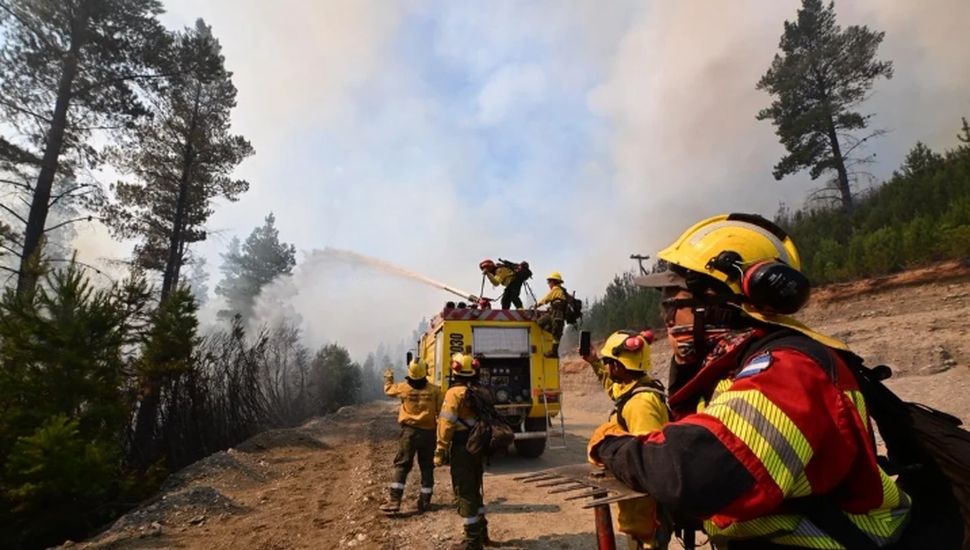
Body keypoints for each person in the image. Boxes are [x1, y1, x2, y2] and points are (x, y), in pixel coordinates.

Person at [588, 213, 910, 549]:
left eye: (673, 302)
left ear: (716, 302)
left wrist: (610, 444)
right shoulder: (738, 368)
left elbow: (698, 471)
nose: (665, 316)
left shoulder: (789, 369)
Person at [582, 330, 669, 550]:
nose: (608, 367)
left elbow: (647, 462)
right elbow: (614, 389)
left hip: (646, 516)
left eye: (609, 362)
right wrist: (594, 362)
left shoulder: (641, 405)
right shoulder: (634, 388)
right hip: (638, 511)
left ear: (619, 366)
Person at [434, 353, 489, 549]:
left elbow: (446, 424)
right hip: (478, 447)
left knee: (464, 492)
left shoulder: (454, 393)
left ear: (455, 370)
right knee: (475, 488)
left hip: (461, 448)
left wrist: (440, 450)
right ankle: (483, 533)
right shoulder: (480, 391)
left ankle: (472, 541)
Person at [380, 358, 443, 514]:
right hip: (429, 433)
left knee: (402, 465)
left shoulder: (404, 388)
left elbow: (388, 390)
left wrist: (388, 378)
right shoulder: (435, 390)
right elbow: (441, 413)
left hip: (409, 433)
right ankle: (425, 501)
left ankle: (394, 501)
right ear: (425, 371)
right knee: (427, 466)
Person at [535, 271, 568, 358]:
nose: (548, 284)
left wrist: (536, 305)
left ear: (553, 282)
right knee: (541, 323)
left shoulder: (556, 289)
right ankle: (555, 333)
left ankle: (554, 352)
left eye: (549, 282)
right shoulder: (561, 291)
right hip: (554, 314)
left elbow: (546, 299)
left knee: (556, 335)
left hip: (557, 315)